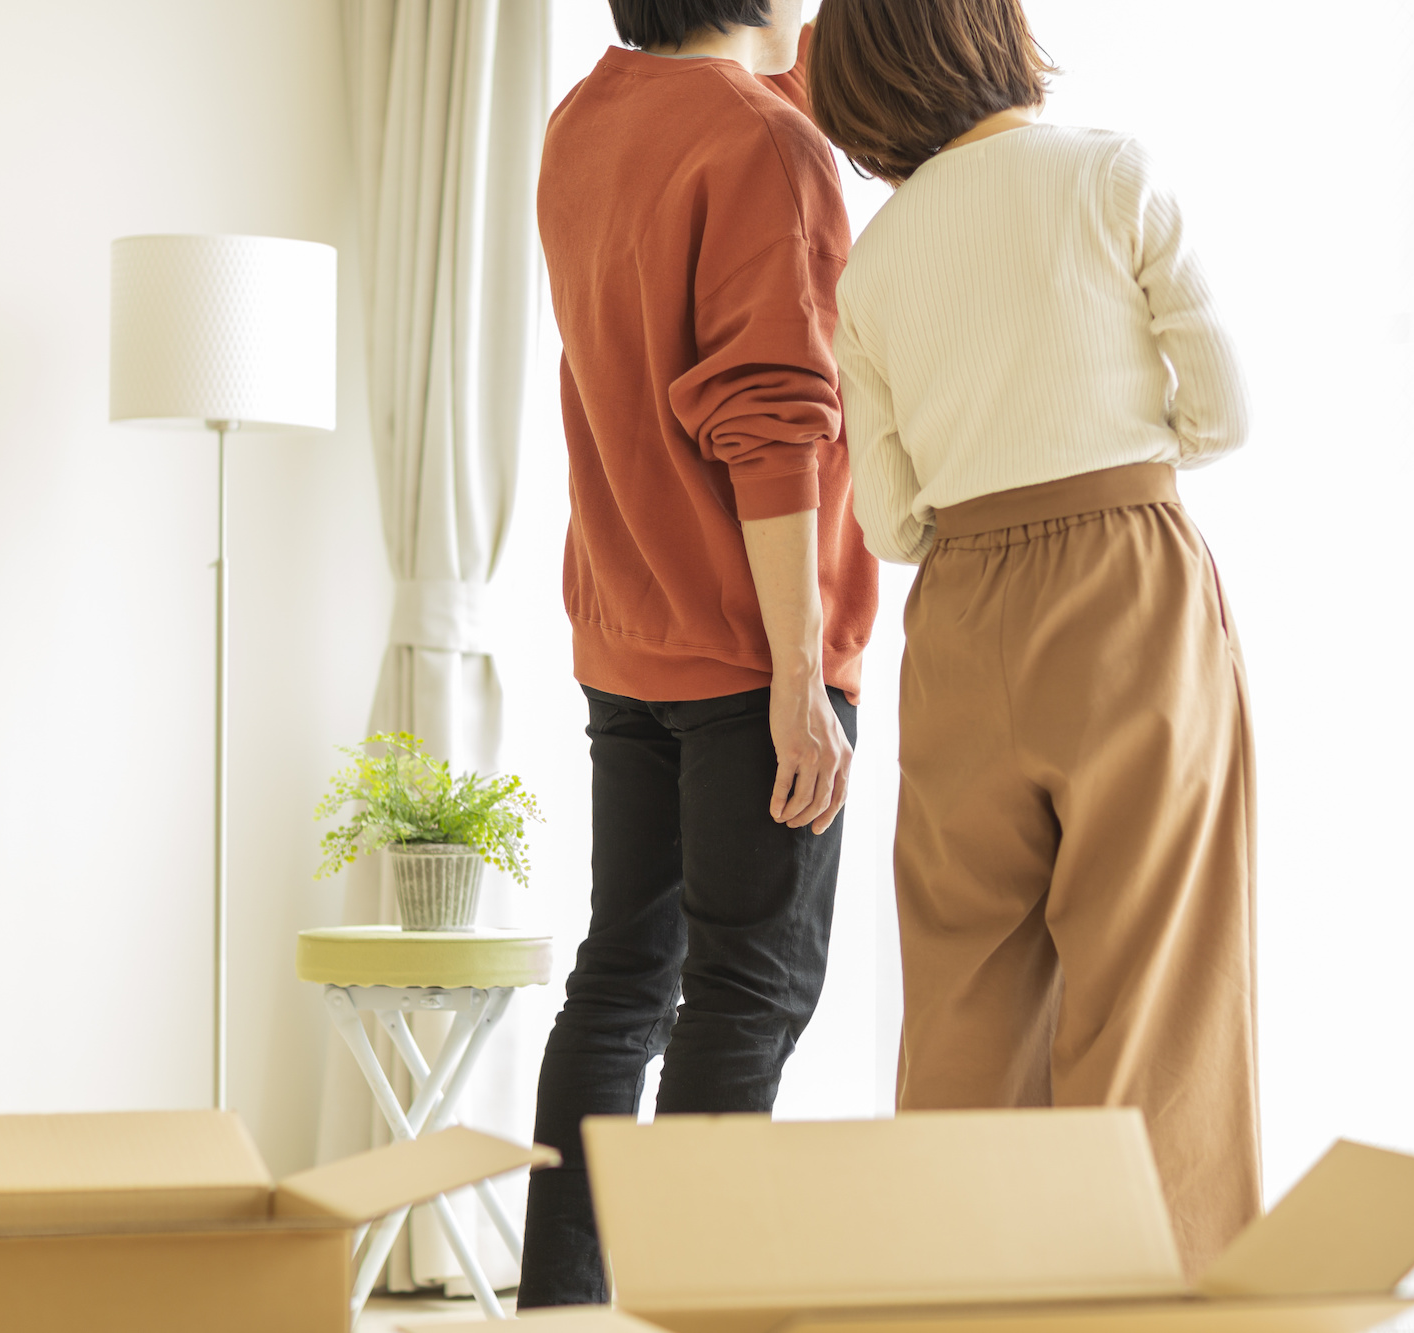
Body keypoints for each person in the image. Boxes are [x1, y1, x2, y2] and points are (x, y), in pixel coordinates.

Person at [809, 0, 1260, 1274]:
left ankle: (968, 1293)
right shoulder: (1108, 175)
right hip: (1125, 587)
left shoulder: (872, 267)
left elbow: (891, 522)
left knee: (964, 994)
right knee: (1152, 978)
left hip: (961, 612)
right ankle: (1148, 1294)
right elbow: (1222, 411)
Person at [521, 0, 877, 1309]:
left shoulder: (586, 117)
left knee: (622, 981)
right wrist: (799, 674)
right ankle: (693, 1305)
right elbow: (770, 422)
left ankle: (562, 1305)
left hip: (628, 629)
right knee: (749, 993)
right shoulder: (761, 148)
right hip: (750, 650)